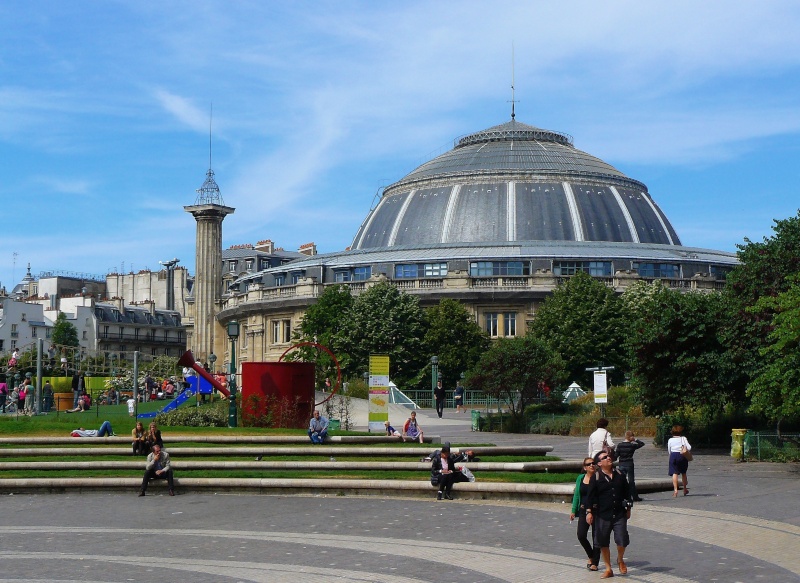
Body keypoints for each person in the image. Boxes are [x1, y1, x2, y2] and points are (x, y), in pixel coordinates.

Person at [586, 450, 633, 579]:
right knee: (603, 542)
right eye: (605, 457)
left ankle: (620, 559)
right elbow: (589, 497)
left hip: (619, 514)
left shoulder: (620, 474)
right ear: (599, 463)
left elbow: (627, 492)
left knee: (622, 539)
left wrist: (628, 508)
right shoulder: (596, 478)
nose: (608, 458)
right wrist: (589, 512)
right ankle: (608, 569)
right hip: (602, 515)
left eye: (608, 456)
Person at [570, 457, 600, 571]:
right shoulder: (580, 478)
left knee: (596, 537)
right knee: (581, 535)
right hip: (583, 510)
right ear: (585, 467)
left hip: (596, 510)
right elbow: (577, 495)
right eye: (589, 464)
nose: (592, 465)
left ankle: (595, 563)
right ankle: (591, 556)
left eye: (593, 463)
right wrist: (573, 510)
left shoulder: (599, 478)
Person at [616, 430, 645, 502]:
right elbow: (642, 444)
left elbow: (616, 456)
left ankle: (621, 496)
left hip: (621, 464)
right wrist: (635, 439)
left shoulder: (620, 445)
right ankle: (635, 497)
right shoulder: (632, 445)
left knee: (621, 480)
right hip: (629, 464)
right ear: (631, 437)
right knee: (631, 481)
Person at [667, 425, 691, 497]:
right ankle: (684, 489)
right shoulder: (683, 438)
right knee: (683, 473)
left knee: (674, 473)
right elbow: (689, 447)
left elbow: (669, 450)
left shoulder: (670, 440)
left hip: (673, 456)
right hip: (682, 455)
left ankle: (675, 490)